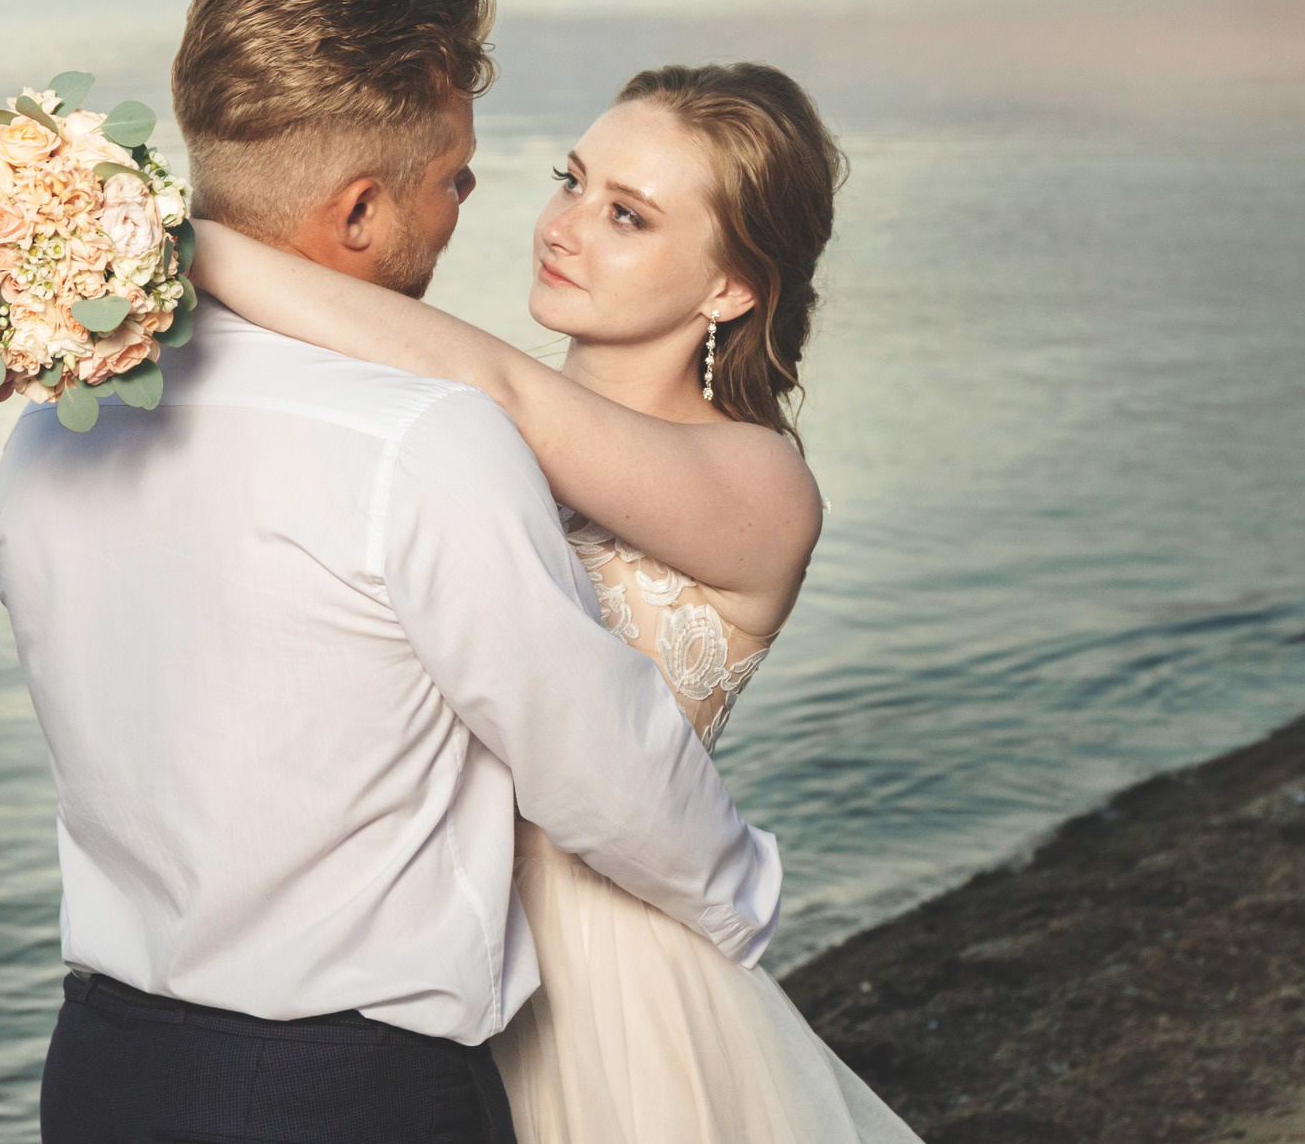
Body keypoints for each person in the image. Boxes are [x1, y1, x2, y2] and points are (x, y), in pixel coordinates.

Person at [0, 0, 784, 1144]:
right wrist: (740, 907)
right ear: (360, 209)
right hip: (343, 1095)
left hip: (99, 1072)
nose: (485, 207)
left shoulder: (53, 428)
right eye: (453, 176)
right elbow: (598, 761)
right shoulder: (424, 444)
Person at [189, 60, 923, 1139]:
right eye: (569, 179)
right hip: (407, 959)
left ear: (730, 286)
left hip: (607, 995)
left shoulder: (761, 485)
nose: (563, 226)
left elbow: (501, 387)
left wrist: (173, 241)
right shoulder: (456, 428)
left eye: (625, 215)